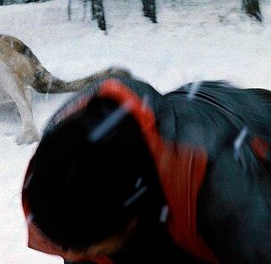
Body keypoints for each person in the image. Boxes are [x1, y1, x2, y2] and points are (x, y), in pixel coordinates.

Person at [21, 74, 270, 264]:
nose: (75, 256)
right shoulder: (56, 167)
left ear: (130, 221)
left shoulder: (225, 186)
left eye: (88, 247)